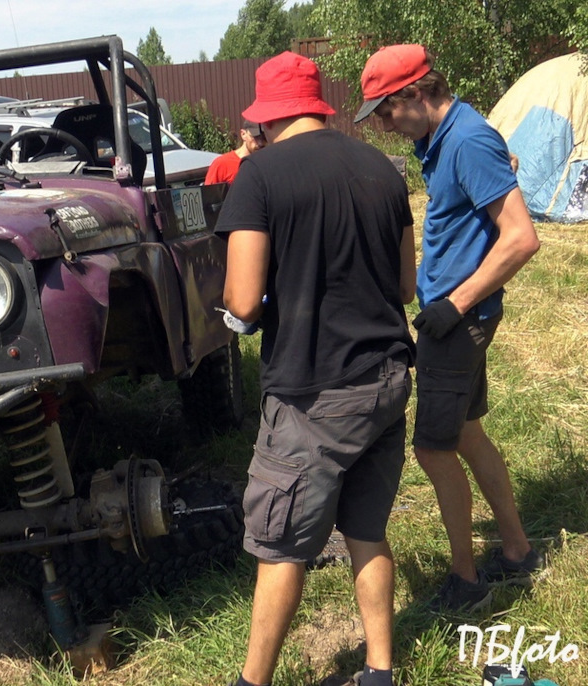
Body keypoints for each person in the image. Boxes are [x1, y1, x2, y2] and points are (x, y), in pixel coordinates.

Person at [217, 51, 416, 686]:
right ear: (319, 106)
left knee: (279, 548)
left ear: (268, 117)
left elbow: (244, 301)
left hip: (314, 393)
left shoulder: (260, 176)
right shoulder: (383, 169)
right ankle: (380, 670)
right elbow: (406, 284)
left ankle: (252, 683)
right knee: (366, 528)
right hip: (387, 374)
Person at [355, 44, 543, 613]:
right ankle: (516, 549)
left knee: (434, 451)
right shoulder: (440, 140)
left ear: (415, 92)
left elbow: (521, 237)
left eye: (386, 111)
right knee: (465, 435)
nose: (384, 125)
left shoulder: (466, 139)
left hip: (457, 324)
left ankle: (466, 581)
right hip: (458, 317)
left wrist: (453, 305)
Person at [204, 120, 265, 184]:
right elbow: (209, 193)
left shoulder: (269, 163)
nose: (260, 142)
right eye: (255, 137)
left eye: (264, 137)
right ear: (243, 134)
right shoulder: (222, 164)